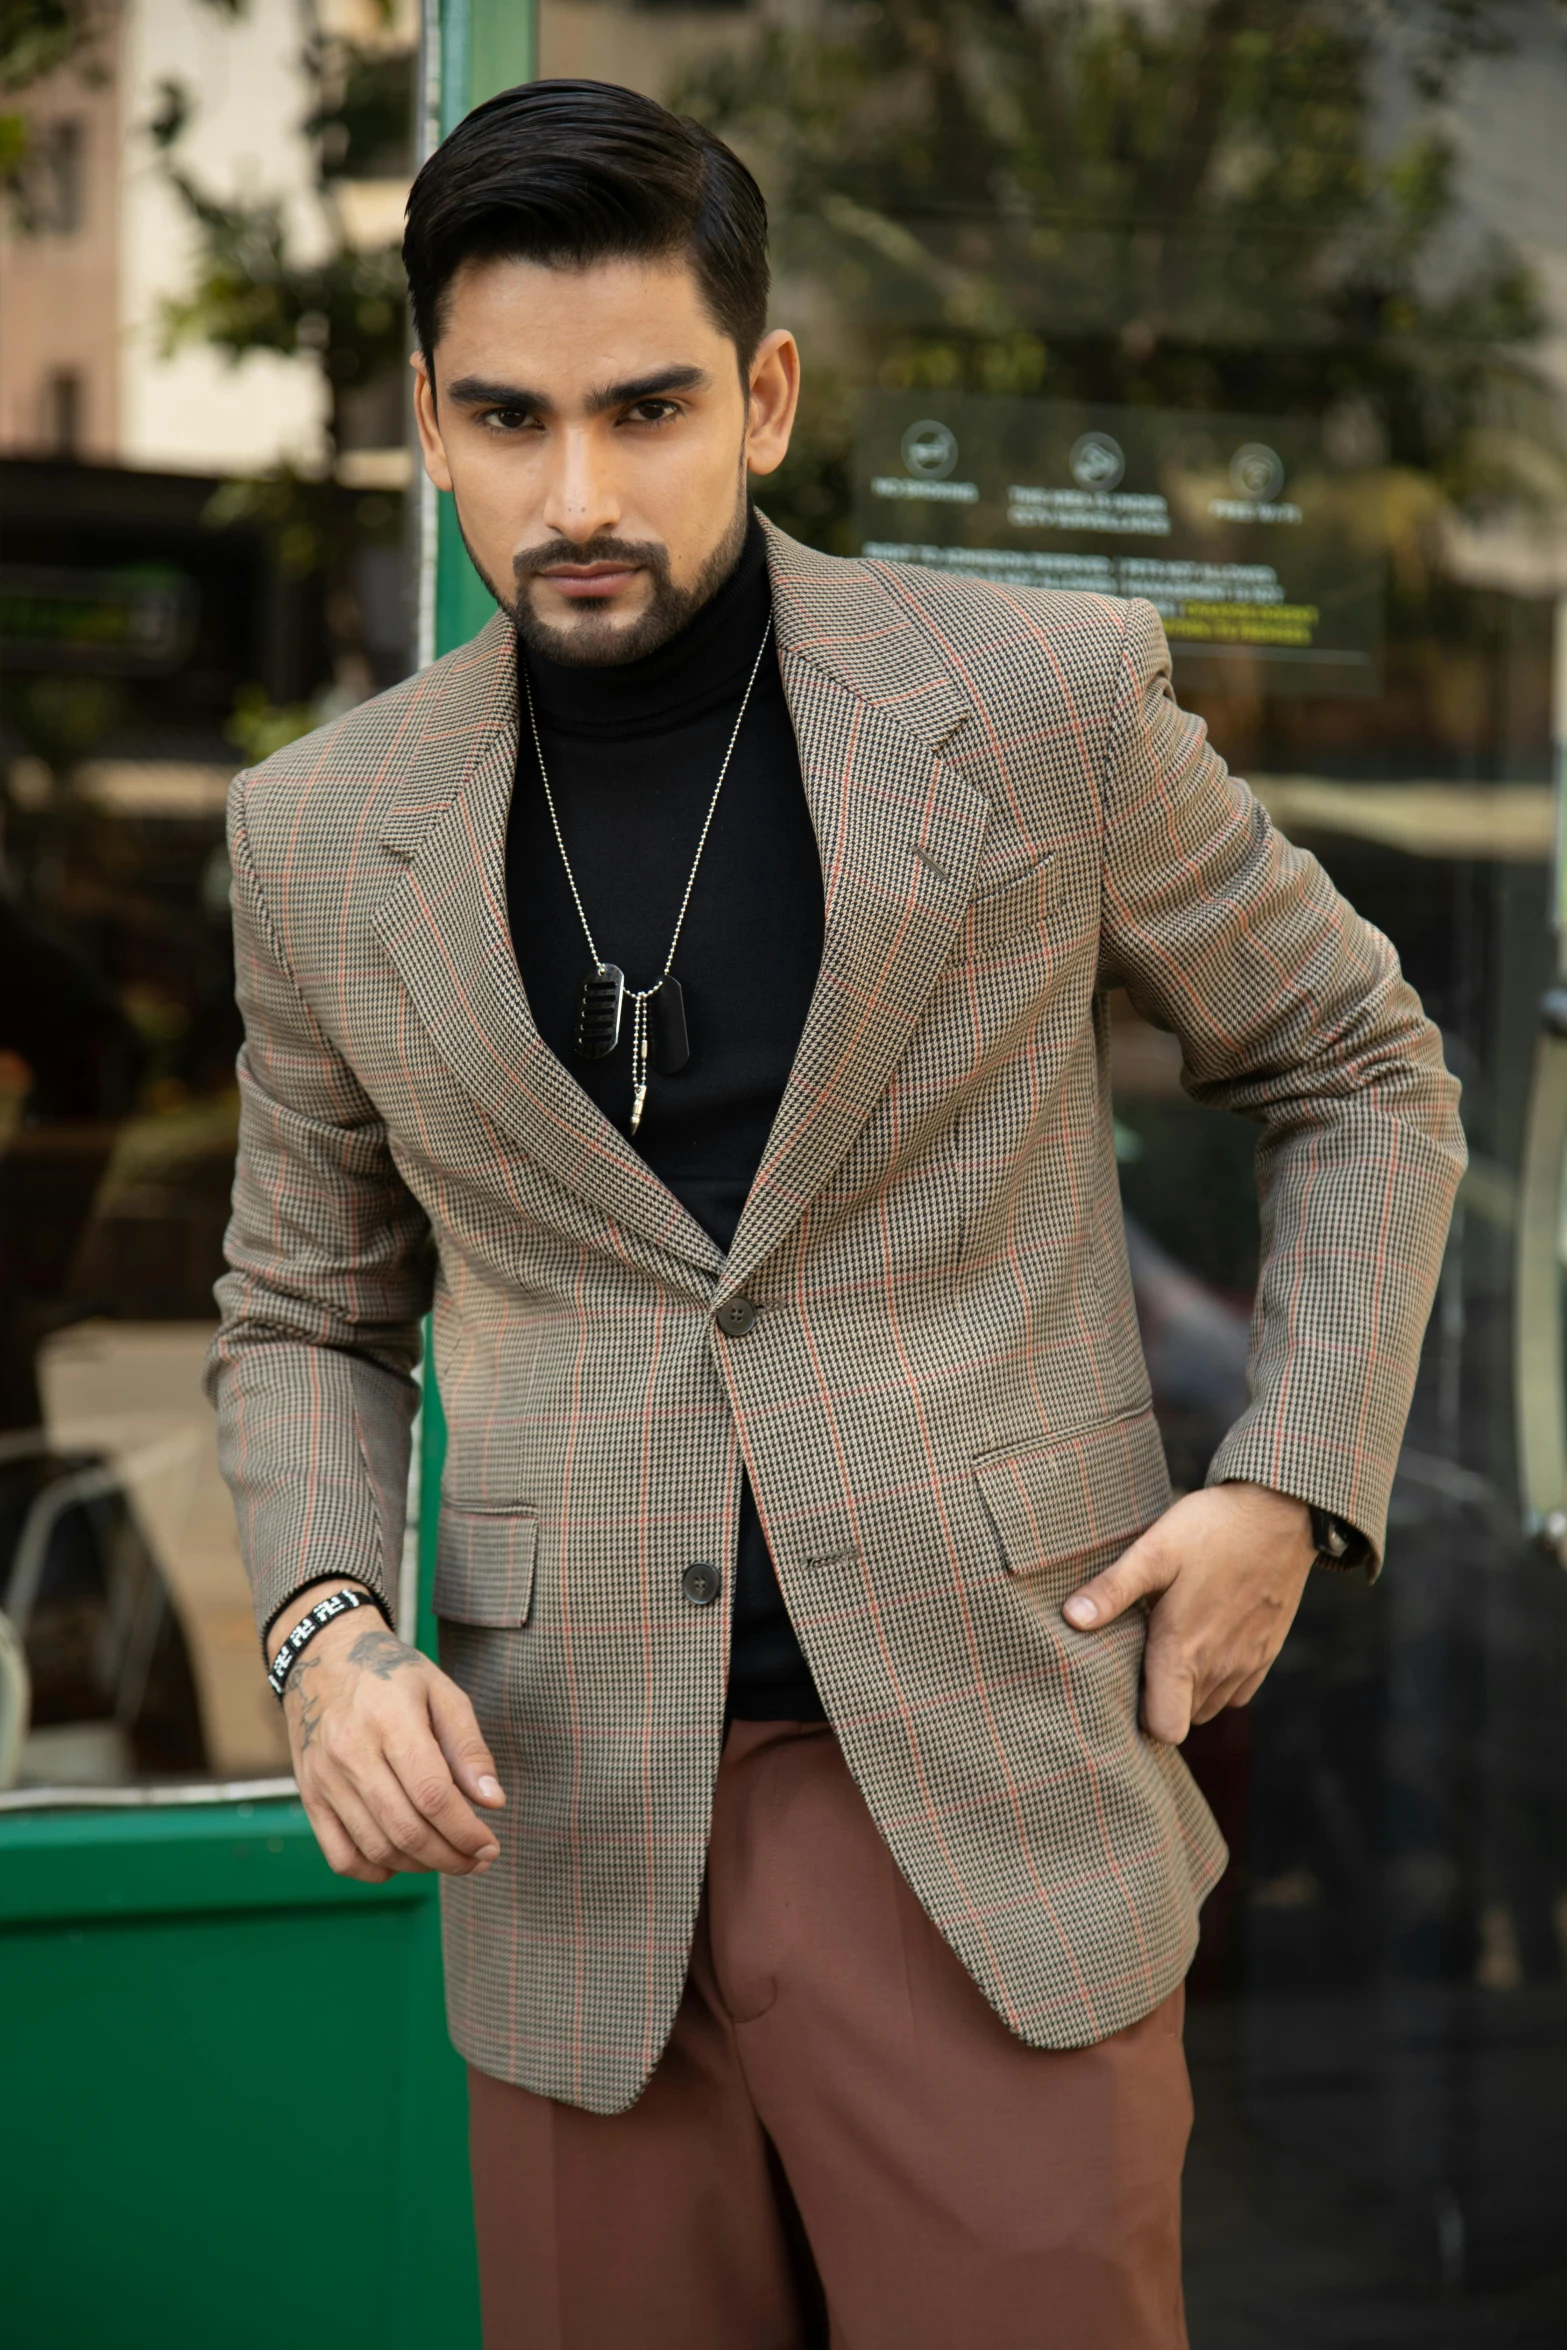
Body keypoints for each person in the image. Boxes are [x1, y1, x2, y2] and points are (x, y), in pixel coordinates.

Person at [205, 77, 1466, 2350]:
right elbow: (300, 1294)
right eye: (506, 415)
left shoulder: (1042, 703)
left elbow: (1360, 1062)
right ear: (427, 417)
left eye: (648, 406)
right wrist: (319, 1628)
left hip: (979, 1794)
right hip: (564, 1825)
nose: (576, 493)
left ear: (764, 396)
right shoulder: (317, 832)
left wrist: (1287, 1481)